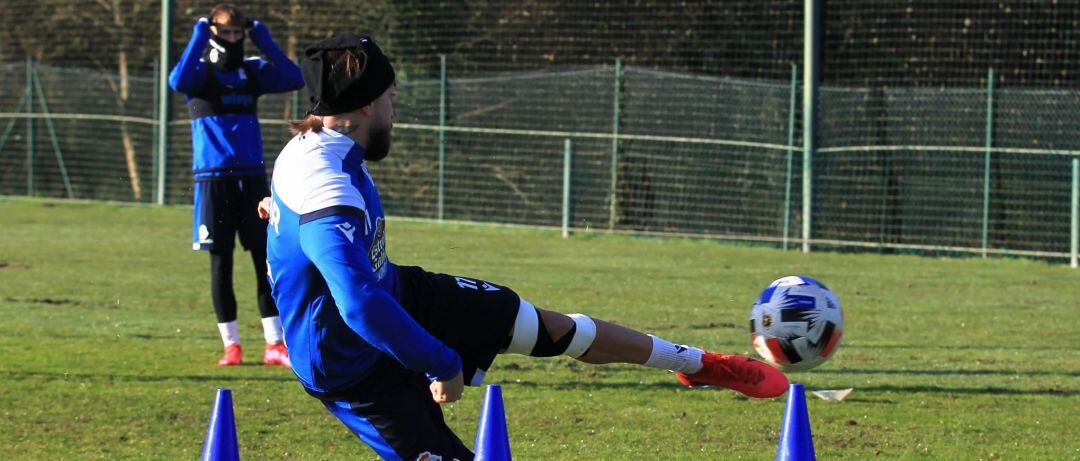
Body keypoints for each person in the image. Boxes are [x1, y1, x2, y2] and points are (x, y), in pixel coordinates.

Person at [262, 33, 789, 460]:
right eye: (391, 98)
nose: (396, 109)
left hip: (399, 296)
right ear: (362, 105)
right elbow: (356, 302)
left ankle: (701, 365)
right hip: (352, 364)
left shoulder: (311, 149)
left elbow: (306, 224)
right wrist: (439, 361)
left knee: (553, 328)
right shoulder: (326, 186)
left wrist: (279, 216)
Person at [168, 3, 304, 367]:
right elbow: (176, 82)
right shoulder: (197, 74)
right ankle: (232, 345)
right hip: (212, 183)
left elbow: (293, 78)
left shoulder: (251, 71)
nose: (231, 39)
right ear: (213, 32)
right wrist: (199, 33)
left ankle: (275, 344)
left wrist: (264, 38)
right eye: (224, 32)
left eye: (236, 33)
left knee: (264, 259)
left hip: (252, 180)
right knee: (221, 262)